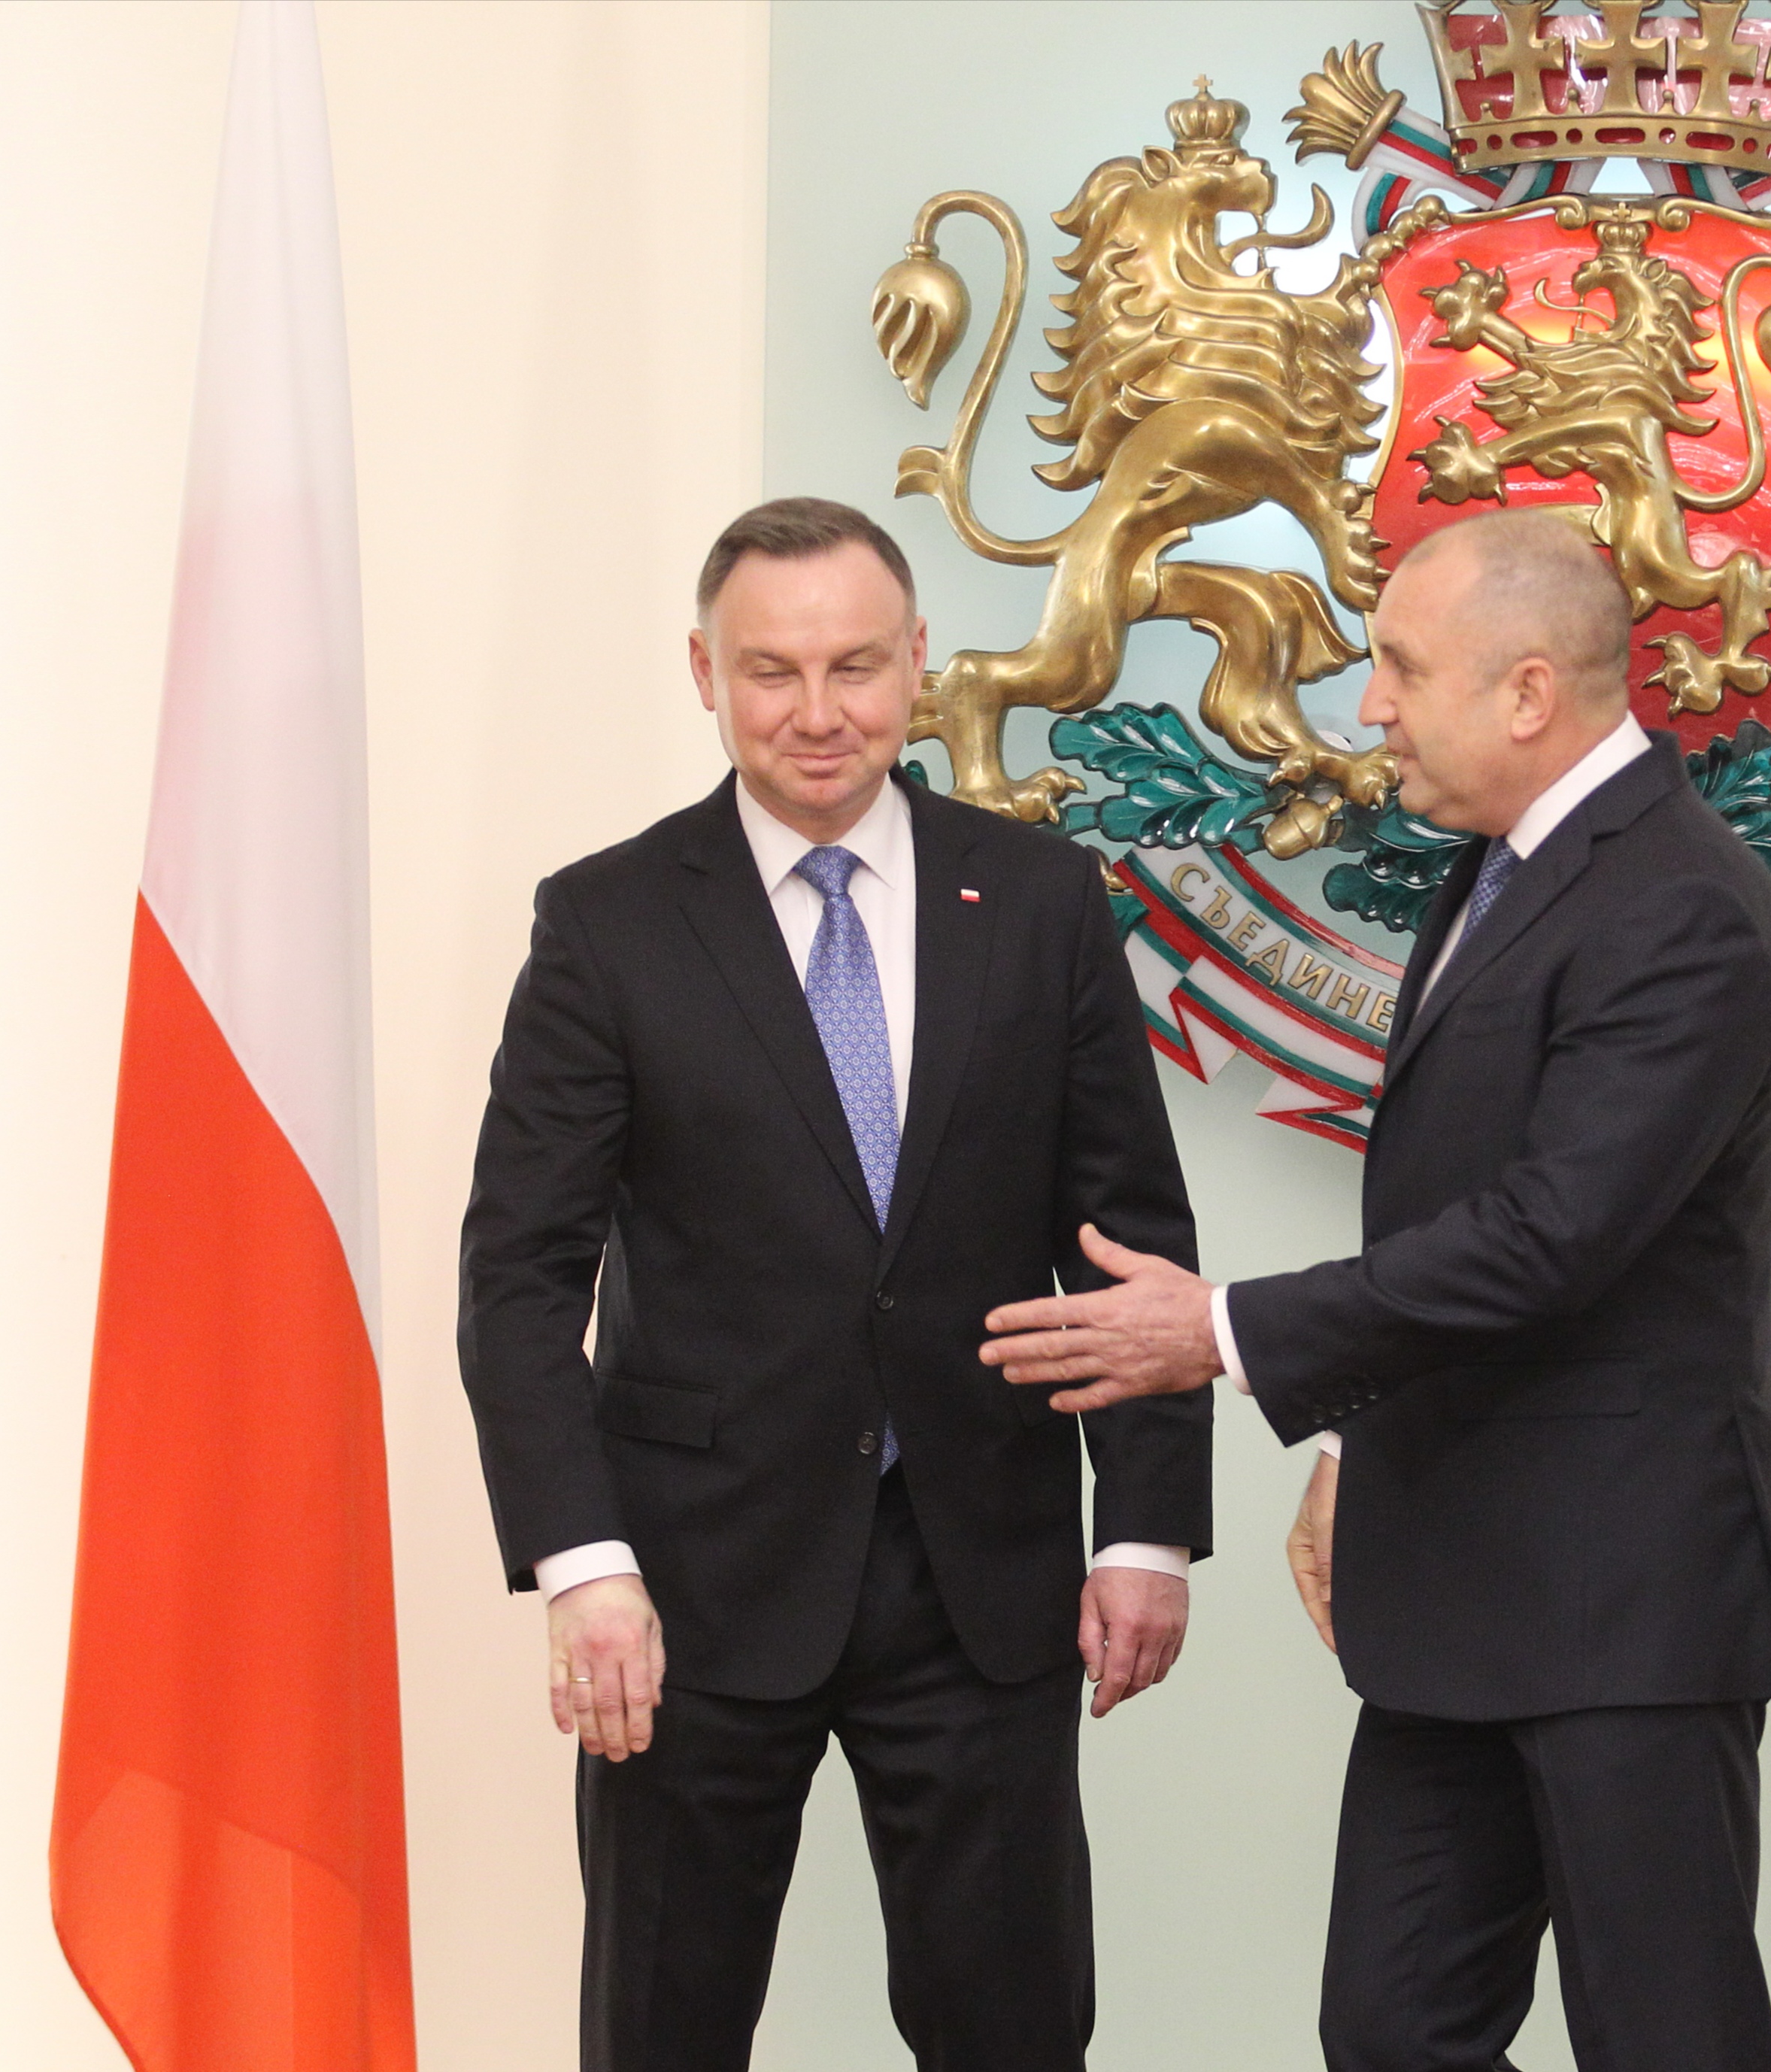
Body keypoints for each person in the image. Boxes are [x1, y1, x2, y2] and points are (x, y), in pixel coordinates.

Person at [983, 507, 1771, 2072]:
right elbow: (1460, 1204)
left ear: (1525, 692)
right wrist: (1353, 1438)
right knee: (1390, 2030)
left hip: (1625, 1601)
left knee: (1666, 2039)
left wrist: (1218, 1330)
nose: (1368, 705)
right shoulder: (1504, 870)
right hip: (1457, 1590)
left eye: (1400, 668)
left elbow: (1552, 1235)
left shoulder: (1684, 906)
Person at [455, 496, 1208, 2072]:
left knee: (1013, 2034)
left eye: (856, 666)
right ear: (704, 673)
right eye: (771, 671)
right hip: (688, 1589)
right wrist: (583, 1563)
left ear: (918, 659)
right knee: (662, 2032)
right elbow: (519, 1275)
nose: (818, 713)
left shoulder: (1045, 899)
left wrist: (1143, 1528)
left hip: (982, 1575)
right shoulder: (606, 922)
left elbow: (1127, 1239)